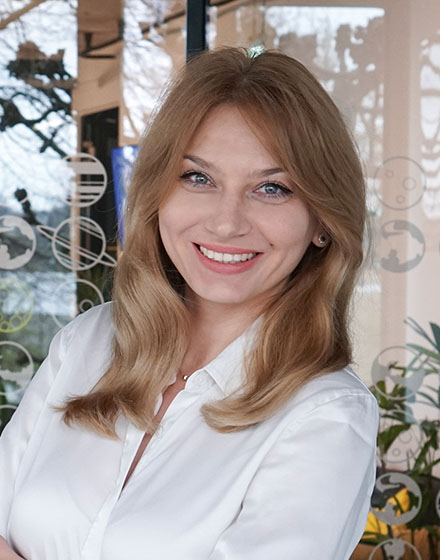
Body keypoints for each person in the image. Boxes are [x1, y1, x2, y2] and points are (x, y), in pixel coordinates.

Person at [0, 46, 379, 560]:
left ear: (321, 222)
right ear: (158, 194)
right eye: (198, 177)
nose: (226, 223)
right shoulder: (87, 342)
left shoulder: (327, 416)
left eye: (272, 188)